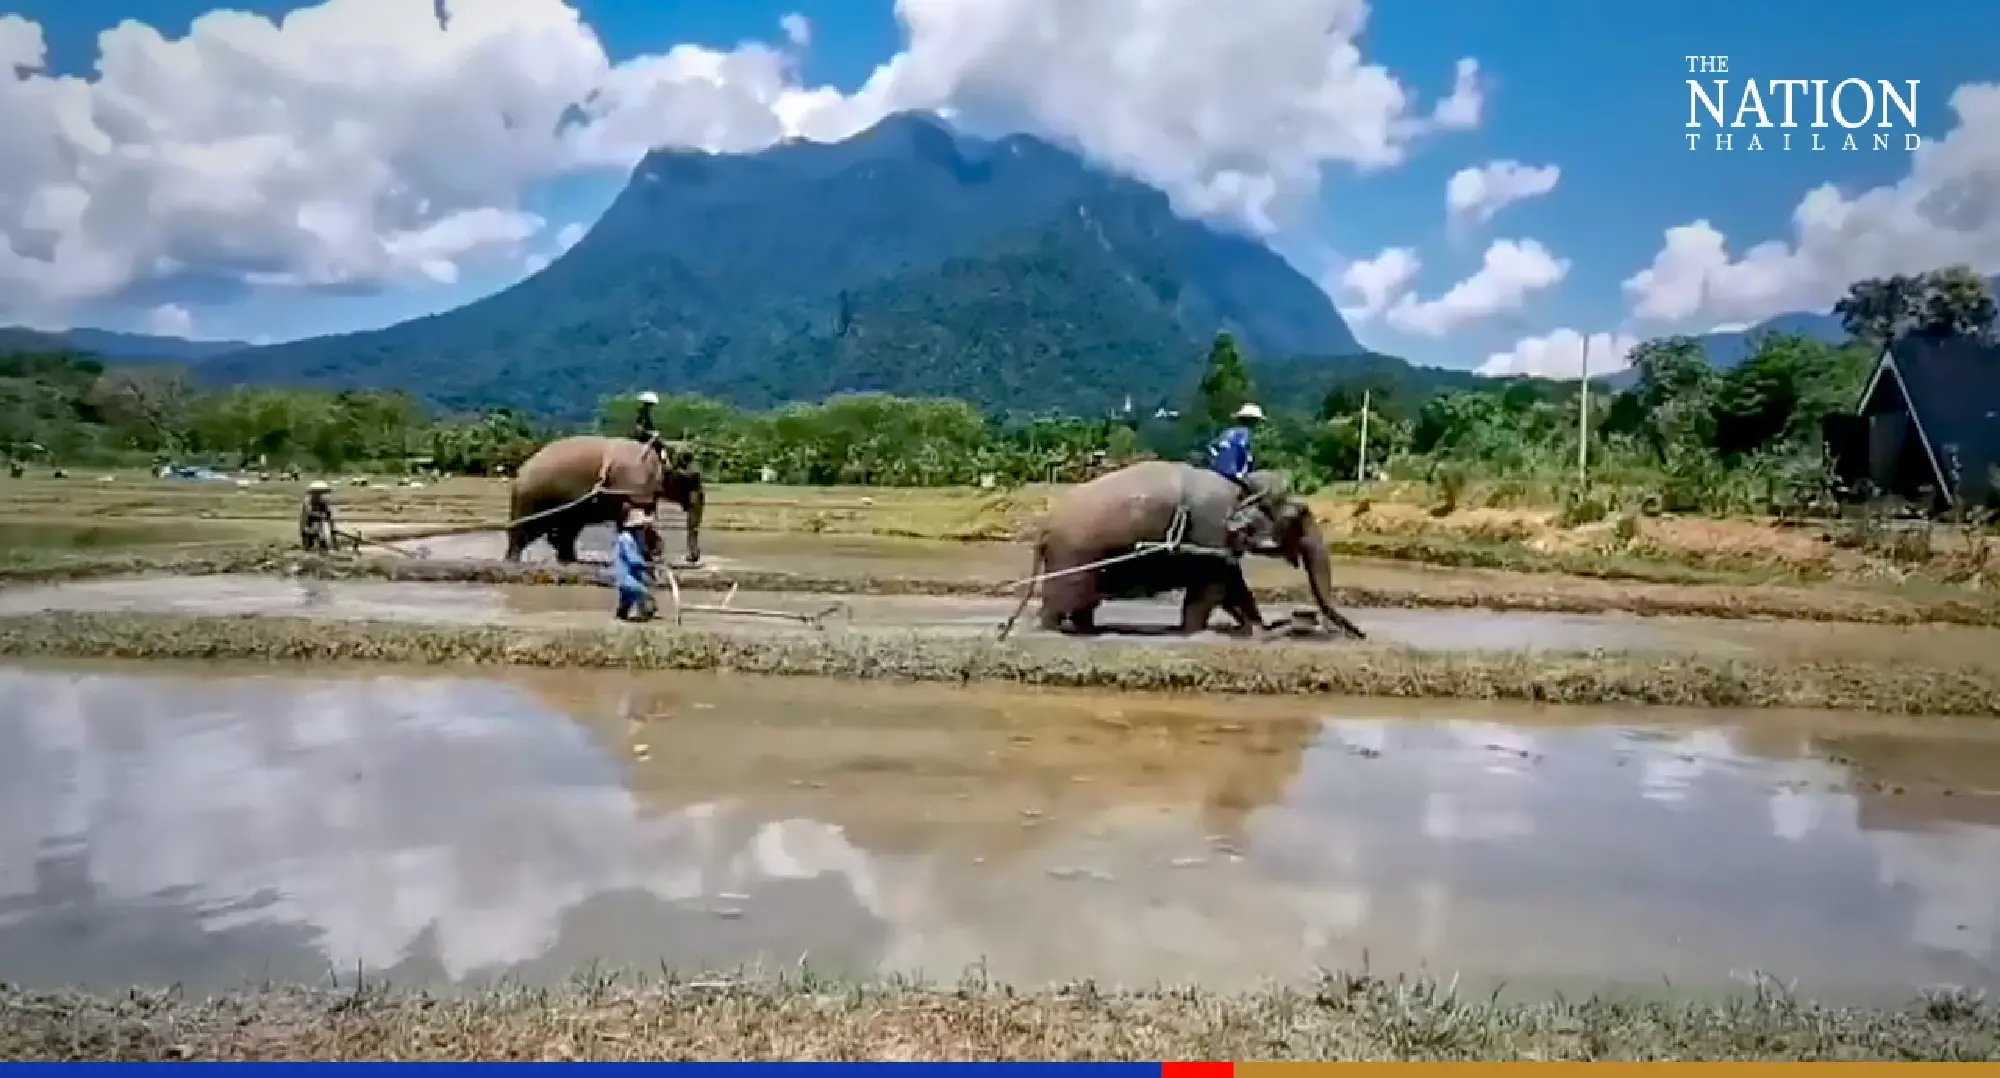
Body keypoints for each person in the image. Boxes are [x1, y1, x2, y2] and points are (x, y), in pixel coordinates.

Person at [1205, 403, 1280, 554]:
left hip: (1216, 471)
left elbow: (1211, 448)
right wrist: (1241, 475)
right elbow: (1245, 456)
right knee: (1258, 496)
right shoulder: (1246, 434)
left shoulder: (1226, 433)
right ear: (1253, 421)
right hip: (1233, 473)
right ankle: (1246, 527)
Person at [613, 506, 656, 622]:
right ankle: (644, 618)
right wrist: (647, 565)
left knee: (627, 600)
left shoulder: (632, 540)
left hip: (630, 576)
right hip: (626, 577)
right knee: (645, 595)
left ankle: (621, 615)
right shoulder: (626, 539)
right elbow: (633, 559)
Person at [299, 480, 337, 552]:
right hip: (309, 523)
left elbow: (328, 512)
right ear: (313, 492)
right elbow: (307, 513)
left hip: (320, 523)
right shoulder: (307, 501)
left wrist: (332, 525)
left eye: (322, 492)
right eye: (319, 492)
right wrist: (319, 515)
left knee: (325, 534)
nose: (320, 494)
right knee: (309, 541)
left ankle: (325, 548)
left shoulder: (323, 501)